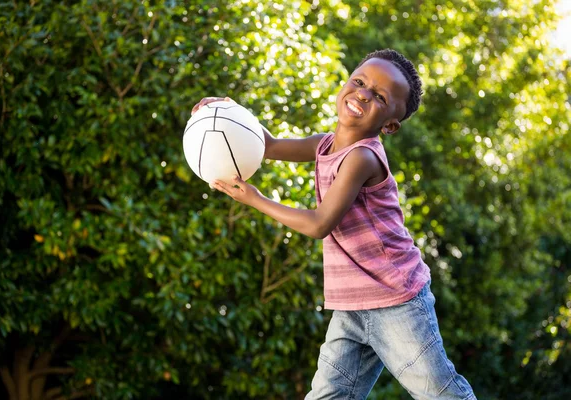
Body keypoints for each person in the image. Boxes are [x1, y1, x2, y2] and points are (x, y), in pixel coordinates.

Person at [191, 49, 476, 399]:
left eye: (379, 96)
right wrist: (223, 112)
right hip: (352, 303)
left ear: (390, 125)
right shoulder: (324, 144)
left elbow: (319, 224)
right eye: (359, 82)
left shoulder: (362, 157)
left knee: (440, 392)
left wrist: (255, 199)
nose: (363, 94)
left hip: (396, 300)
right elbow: (267, 144)